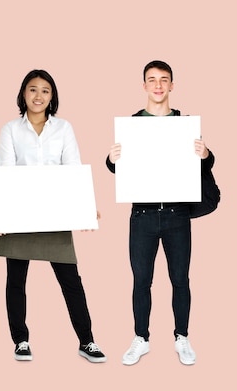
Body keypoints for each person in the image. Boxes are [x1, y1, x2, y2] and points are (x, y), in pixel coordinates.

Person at [0, 69, 106, 363]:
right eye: (32, 89)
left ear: (52, 95)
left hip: (55, 214)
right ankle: (21, 341)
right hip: (19, 214)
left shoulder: (64, 128)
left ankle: (87, 341)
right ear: (23, 94)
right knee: (16, 280)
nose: (38, 95)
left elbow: (73, 168)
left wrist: (84, 207)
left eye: (45, 90)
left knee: (71, 280)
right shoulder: (10, 129)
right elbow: (4, 170)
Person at [106, 60, 211, 366]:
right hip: (143, 215)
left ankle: (182, 337)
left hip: (177, 214)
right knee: (141, 280)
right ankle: (141, 338)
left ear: (172, 86)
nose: (158, 85)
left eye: (164, 80)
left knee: (180, 278)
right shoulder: (131, 124)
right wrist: (112, 160)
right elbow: (118, 168)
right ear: (144, 86)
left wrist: (206, 153)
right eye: (152, 80)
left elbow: (204, 164)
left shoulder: (185, 124)